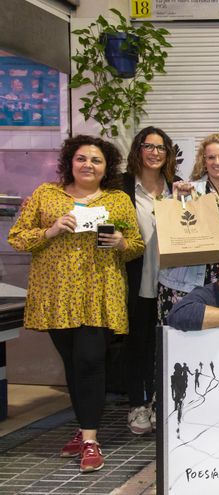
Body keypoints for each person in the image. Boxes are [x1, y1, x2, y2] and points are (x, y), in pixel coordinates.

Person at [8, 135, 145, 473]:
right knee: (72, 363)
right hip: (56, 295)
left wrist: (121, 241)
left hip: (100, 293)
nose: (88, 165)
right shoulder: (45, 195)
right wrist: (51, 230)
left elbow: (137, 245)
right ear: (70, 161)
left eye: (96, 160)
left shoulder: (117, 200)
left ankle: (89, 440)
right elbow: (17, 238)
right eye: (82, 158)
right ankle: (84, 426)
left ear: (106, 166)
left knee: (89, 361)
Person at [121, 127, 181, 435]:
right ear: (138, 150)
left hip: (172, 280)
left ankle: (160, 403)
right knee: (137, 343)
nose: (155, 152)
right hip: (136, 278)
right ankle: (137, 405)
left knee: (166, 343)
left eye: (161, 148)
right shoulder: (122, 187)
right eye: (149, 146)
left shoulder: (176, 187)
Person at [156, 132, 219, 323]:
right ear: (204, 161)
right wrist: (175, 199)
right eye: (211, 157)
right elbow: (167, 226)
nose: (218, 162)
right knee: (180, 341)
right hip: (185, 281)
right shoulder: (188, 190)